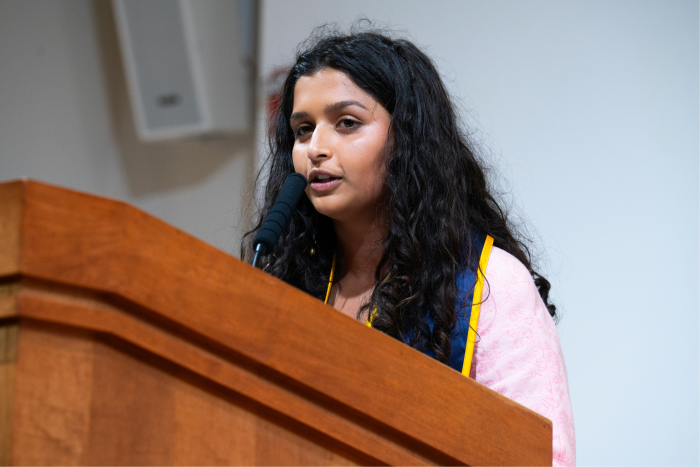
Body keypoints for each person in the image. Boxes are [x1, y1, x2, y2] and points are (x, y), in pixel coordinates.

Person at [244, 26, 575, 467]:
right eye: (303, 130)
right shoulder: (289, 281)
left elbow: (542, 458)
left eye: (347, 123)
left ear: (406, 138)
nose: (315, 149)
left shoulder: (488, 284)